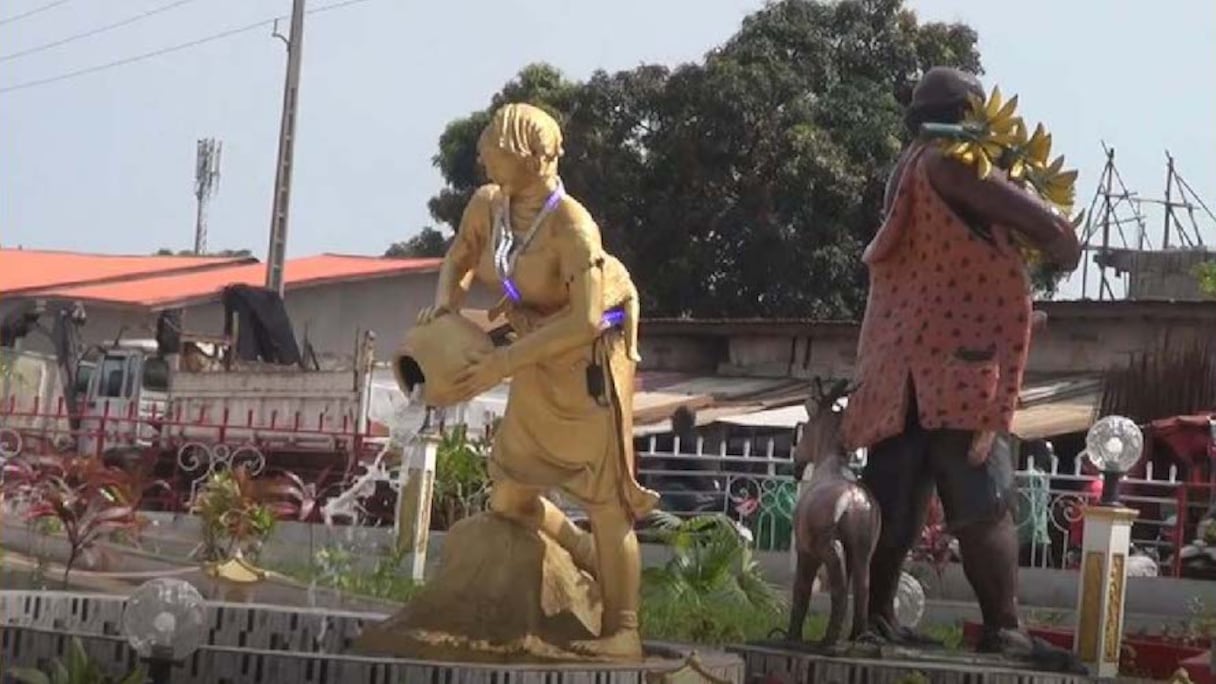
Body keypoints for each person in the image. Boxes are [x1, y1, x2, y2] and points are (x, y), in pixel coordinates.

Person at [840, 67, 1084, 670]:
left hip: (901, 363)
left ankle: (872, 618)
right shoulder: (952, 163)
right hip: (956, 365)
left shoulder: (906, 168)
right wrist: (1055, 243)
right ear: (971, 113)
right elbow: (1052, 230)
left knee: (896, 493)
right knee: (983, 497)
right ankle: (1005, 629)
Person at [417, 102, 658, 660]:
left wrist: (503, 363)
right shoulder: (489, 205)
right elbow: (459, 259)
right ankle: (581, 551)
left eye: (491, 147)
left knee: (607, 502)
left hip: (590, 359)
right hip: (535, 353)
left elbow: (587, 318)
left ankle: (623, 628)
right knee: (510, 495)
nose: (481, 155)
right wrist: (444, 308)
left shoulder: (572, 224)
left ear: (526, 155)